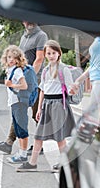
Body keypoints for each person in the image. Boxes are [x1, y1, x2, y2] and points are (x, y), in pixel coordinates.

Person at [0, 22, 48, 155]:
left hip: (35, 82)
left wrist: (29, 77)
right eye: (25, 19)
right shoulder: (24, 37)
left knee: (36, 115)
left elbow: (39, 59)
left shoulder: (41, 36)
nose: (28, 22)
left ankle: (38, 146)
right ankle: (9, 143)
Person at [17, 40, 76, 171]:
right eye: (48, 53)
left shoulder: (63, 69)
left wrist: (73, 89)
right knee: (38, 136)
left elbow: (70, 87)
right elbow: (42, 90)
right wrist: (39, 108)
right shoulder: (45, 71)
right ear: (45, 55)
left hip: (59, 105)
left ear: (59, 53)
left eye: (53, 53)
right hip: (47, 105)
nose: (51, 55)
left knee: (59, 137)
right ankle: (32, 163)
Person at [0, 45, 30, 163]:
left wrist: (11, 85)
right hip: (14, 103)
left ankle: (23, 154)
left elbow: (24, 86)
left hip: (19, 103)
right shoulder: (9, 70)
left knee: (22, 129)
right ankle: (22, 153)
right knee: (18, 129)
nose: (11, 60)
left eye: (14, 57)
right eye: (9, 57)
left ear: (18, 59)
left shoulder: (17, 71)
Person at [70, 37, 100, 102]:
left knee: (94, 111)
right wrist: (78, 81)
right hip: (96, 82)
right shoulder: (98, 38)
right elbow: (93, 65)